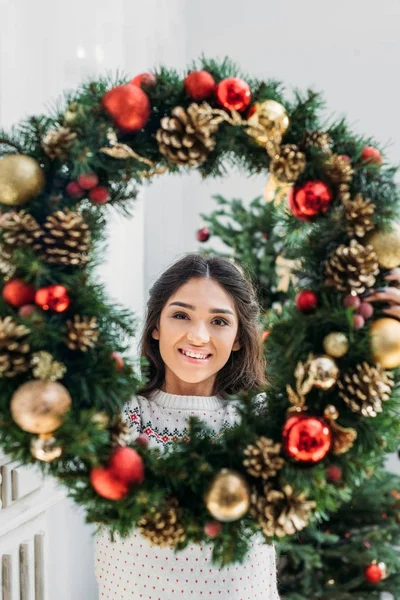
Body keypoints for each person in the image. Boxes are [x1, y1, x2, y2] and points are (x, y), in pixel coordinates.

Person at [95, 253, 280, 599]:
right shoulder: (121, 416)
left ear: (239, 337)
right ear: (156, 326)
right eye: (181, 315)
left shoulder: (260, 419)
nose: (198, 336)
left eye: (219, 322)